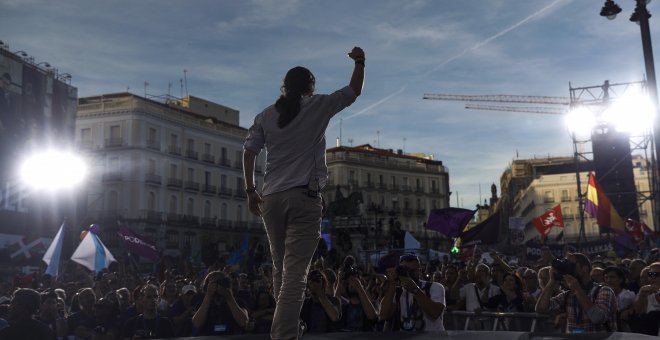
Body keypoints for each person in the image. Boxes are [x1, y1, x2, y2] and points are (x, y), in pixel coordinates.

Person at [242, 46, 365, 340]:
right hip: (304, 198)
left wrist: (250, 191)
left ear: (285, 86)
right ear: (310, 87)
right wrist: (360, 61)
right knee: (295, 273)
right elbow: (353, 90)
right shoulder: (318, 105)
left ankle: (288, 326)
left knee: (281, 269)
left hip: (271, 199)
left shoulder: (265, 115)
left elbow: (248, 152)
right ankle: (283, 335)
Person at [535, 253, 618, 333]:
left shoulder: (604, 291)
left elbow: (597, 318)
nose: (568, 268)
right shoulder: (567, 295)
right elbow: (541, 309)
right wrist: (552, 281)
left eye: (571, 264)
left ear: (584, 269)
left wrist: (577, 289)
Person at [379, 254, 446, 332]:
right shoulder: (397, 292)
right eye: (404, 269)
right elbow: (383, 315)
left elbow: (435, 312)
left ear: (420, 271)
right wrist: (392, 283)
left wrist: (415, 290)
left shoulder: (434, 287)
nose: (408, 273)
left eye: (411, 270)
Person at [191, 270, 249, 336]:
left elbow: (243, 322)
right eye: (214, 283)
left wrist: (229, 297)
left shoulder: (238, 302)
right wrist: (208, 296)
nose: (217, 286)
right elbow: (196, 324)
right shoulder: (202, 304)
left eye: (220, 282)